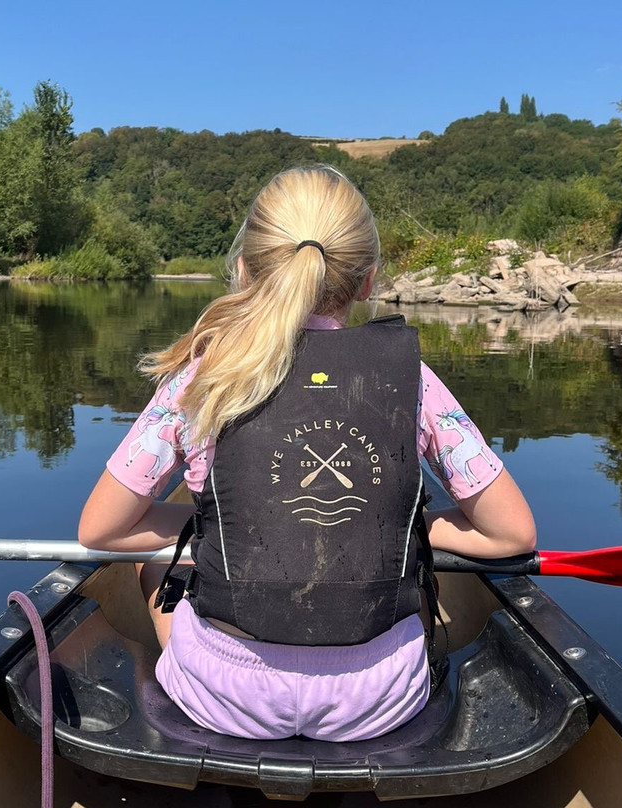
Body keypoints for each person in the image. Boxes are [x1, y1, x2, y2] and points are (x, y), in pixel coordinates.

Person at [78, 165, 535, 742]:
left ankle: (165, 693)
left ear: (244, 269)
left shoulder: (201, 382)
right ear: (367, 280)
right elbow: (511, 535)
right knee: (416, 586)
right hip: (380, 701)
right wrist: (404, 526)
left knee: (150, 568)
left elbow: (102, 530)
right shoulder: (412, 381)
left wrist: (215, 526)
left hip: (228, 699)